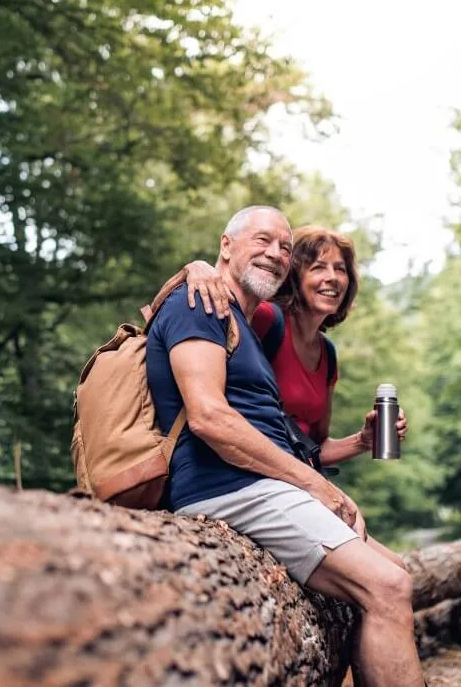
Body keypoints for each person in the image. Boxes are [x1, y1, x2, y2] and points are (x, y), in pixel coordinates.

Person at [146, 206, 424, 687]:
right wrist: (316, 485)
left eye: (283, 246)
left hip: (266, 483)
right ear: (226, 245)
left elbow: (306, 441)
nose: (275, 254)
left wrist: (357, 445)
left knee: (395, 573)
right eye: (262, 240)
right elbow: (210, 418)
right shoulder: (204, 301)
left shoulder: (244, 318)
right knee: (388, 585)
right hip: (231, 483)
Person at [184, 224, 409, 469]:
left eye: (340, 269)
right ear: (294, 277)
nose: (332, 278)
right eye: (318, 268)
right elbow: (207, 313)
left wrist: (364, 441)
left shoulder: (328, 355)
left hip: (292, 476)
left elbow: (312, 447)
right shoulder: (266, 319)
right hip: (235, 470)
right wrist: (197, 267)